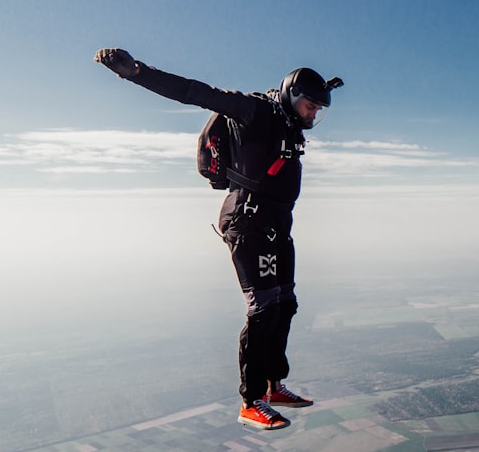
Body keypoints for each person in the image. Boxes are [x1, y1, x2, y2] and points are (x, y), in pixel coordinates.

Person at [95, 47, 342, 430]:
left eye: (318, 110)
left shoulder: (289, 121)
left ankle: (275, 385)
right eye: (311, 106)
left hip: (277, 224)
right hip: (249, 223)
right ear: (293, 95)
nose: (313, 116)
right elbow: (194, 91)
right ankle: (251, 401)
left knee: (285, 304)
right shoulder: (253, 110)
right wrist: (135, 72)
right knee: (263, 309)